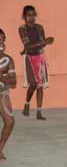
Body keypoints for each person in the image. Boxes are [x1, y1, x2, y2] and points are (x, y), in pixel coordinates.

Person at [19, 5, 54, 120]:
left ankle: (39, 112)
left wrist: (45, 42)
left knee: (40, 85)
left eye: (33, 14)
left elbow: (42, 44)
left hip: (40, 56)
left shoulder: (39, 27)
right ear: (24, 16)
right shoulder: (22, 29)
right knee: (33, 84)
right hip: (29, 58)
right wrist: (44, 42)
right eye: (29, 15)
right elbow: (28, 46)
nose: (32, 17)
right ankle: (27, 104)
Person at [0, 29, 16, 161]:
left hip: (2, 95)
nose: (1, 41)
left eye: (2, 38)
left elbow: (13, 81)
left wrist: (2, 77)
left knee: (10, 122)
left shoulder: (8, 59)